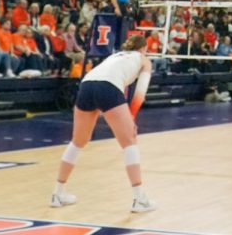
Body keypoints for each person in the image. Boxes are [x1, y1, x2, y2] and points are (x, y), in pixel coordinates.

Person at [50, 33, 155, 213]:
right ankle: (140, 199)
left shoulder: (115, 56)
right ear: (143, 48)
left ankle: (57, 193)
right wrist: (132, 118)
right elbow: (140, 93)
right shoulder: (144, 59)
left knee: (78, 141)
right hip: (107, 87)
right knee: (129, 141)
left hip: (87, 85)